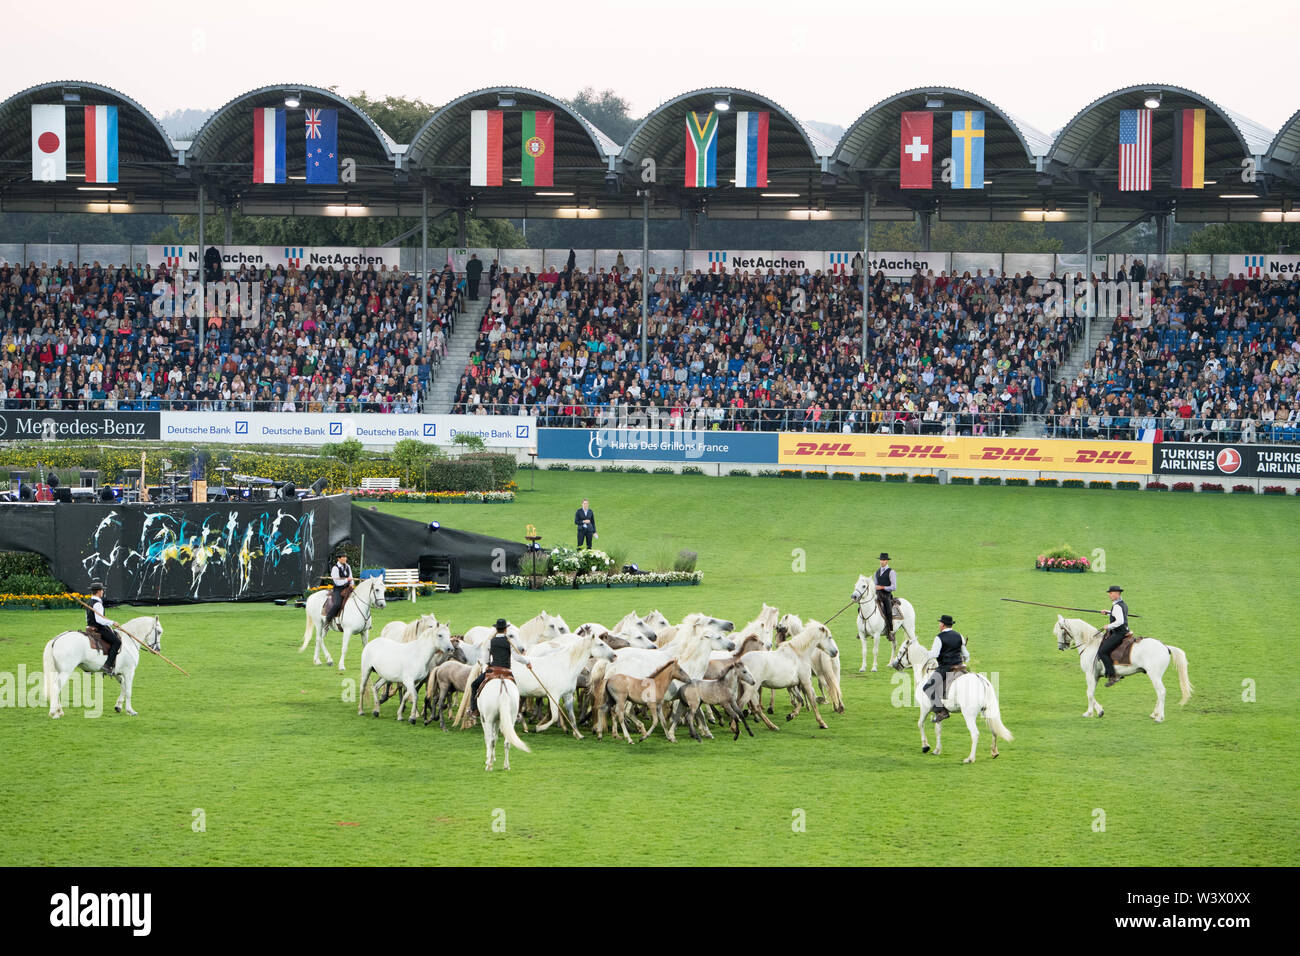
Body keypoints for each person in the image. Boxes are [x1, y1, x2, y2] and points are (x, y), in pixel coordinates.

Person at [469, 619, 521, 716]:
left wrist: (489, 663)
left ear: (496, 629)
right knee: (516, 689)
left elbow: (486, 660)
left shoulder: (490, 642)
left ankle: (474, 710)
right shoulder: (509, 642)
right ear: (505, 629)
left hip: (493, 670)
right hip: (507, 671)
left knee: (474, 685)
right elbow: (517, 657)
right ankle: (517, 711)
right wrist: (528, 663)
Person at [923, 614, 969, 723]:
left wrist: (925, 653)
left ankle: (941, 711)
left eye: (940, 623)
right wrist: (963, 660)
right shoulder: (959, 636)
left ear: (943, 625)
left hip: (946, 667)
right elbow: (966, 655)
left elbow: (934, 654)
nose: (939, 625)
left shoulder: (939, 638)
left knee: (927, 687)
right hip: (960, 666)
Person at [86, 581, 121, 676]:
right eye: (102, 590)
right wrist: (112, 622)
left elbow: (88, 617)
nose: (103, 592)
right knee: (117, 642)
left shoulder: (89, 602)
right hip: (98, 628)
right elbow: (99, 620)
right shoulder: (97, 604)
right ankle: (108, 665)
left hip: (89, 627)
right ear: (99, 591)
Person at [1098, 585, 1130, 687]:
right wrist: (1107, 613)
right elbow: (1117, 614)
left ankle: (1113, 675)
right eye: (1109, 593)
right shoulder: (1122, 604)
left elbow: (1120, 621)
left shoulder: (1116, 606)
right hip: (1125, 631)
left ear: (1117, 593)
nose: (1109, 595)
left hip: (1119, 633)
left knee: (1102, 652)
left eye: (1111, 593)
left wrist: (1108, 626)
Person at [874, 552, 898, 638]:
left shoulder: (891, 572)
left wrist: (882, 587)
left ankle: (890, 631)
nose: (882, 561)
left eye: (883, 560)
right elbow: (875, 584)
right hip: (877, 595)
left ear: (887, 561)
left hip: (886, 595)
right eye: (881, 560)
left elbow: (894, 587)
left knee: (888, 610)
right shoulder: (877, 572)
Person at [326, 552, 354, 623]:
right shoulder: (335, 568)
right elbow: (337, 582)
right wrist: (346, 580)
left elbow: (351, 577)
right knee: (337, 604)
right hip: (338, 589)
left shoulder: (348, 566)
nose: (345, 559)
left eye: (346, 557)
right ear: (339, 558)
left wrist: (351, 583)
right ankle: (328, 619)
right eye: (343, 557)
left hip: (348, 588)